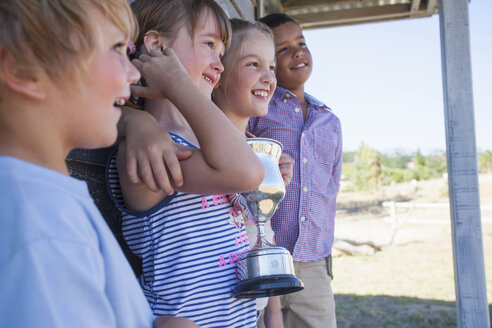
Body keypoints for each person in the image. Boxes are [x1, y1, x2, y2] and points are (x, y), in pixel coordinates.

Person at [0, 0, 198, 327]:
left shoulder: (40, 204)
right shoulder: (42, 227)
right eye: (117, 48)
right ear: (23, 71)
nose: (134, 71)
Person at [105, 1, 264, 327]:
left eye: (222, 53)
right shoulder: (150, 149)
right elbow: (247, 172)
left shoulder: (193, 141)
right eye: (209, 45)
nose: (219, 65)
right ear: (157, 45)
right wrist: (174, 83)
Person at [248, 13, 343, 328]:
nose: (297, 52)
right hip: (260, 254)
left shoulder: (329, 121)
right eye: (283, 49)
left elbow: (331, 186)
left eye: (301, 43)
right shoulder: (258, 108)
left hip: (313, 263)